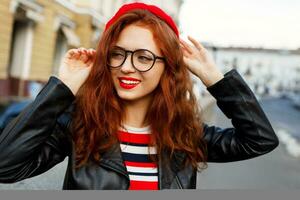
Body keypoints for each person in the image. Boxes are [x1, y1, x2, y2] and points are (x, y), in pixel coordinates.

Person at [0, 2, 278, 190]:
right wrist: (62, 87)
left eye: (143, 57)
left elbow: (260, 140)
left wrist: (215, 80)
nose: (126, 66)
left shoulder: (185, 135)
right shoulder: (79, 125)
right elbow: (6, 166)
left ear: (167, 67)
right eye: (117, 54)